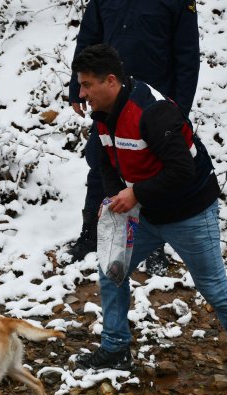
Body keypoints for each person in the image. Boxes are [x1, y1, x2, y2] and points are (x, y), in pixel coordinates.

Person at [70, 44, 227, 395]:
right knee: (112, 270)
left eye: (86, 85)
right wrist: (116, 199)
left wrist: (135, 194)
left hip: (190, 210)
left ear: (110, 81)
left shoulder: (152, 111)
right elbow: (106, 164)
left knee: (213, 286)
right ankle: (115, 349)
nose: (81, 93)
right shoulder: (102, 114)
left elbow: (182, 170)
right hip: (146, 211)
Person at [66, 0, 201, 276]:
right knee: (101, 165)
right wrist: (75, 88)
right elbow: (88, 41)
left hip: (152, 105)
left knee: (151, 172)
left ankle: (154, 245)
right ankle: (91, 234)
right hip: (109, 99)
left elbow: (187, 57)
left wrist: (178, 113)